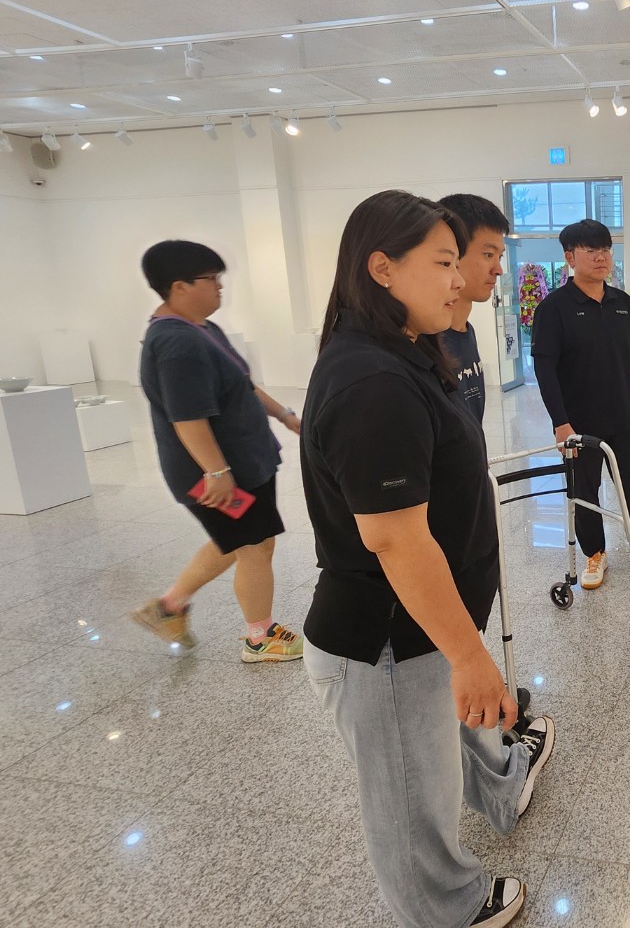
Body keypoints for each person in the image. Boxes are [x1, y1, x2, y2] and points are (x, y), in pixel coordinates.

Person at [299, 191, 554, 928]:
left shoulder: (403, 354)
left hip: (417, 631)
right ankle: (449, 911)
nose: (460, 279)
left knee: (432, 768)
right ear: (382, 268)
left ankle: (497, 797)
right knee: (411, 801)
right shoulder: (373, 382)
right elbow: (395, 539)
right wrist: (470, 656)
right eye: (444, 263)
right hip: (382, 640)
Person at [129, 240, 304, 663]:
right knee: (254, 546)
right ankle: (260, 639)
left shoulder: (201, 328)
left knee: (240, 540)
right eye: (210, 279)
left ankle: (168, 607)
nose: (220, 287)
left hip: (240, 463)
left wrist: (284, 416)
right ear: (179, 286)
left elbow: (242, 383)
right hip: (218, 473)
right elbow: (188, 418)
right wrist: (216, 472)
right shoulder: (177, 343)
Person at [529, 218, 630, 588]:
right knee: (584, 491)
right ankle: (595, 554)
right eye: (591, 250)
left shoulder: (623, 304)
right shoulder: (554, 308)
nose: (601, 257)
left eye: (606, 249)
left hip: (622, 418)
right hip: (578, 423)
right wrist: (560, 423)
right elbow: (545, 370)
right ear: (570, 257)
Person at [437, 193, 509, 425]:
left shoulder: (466, 332)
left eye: (499, 256)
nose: (498, 269)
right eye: (488, 255)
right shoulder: (427, 342)